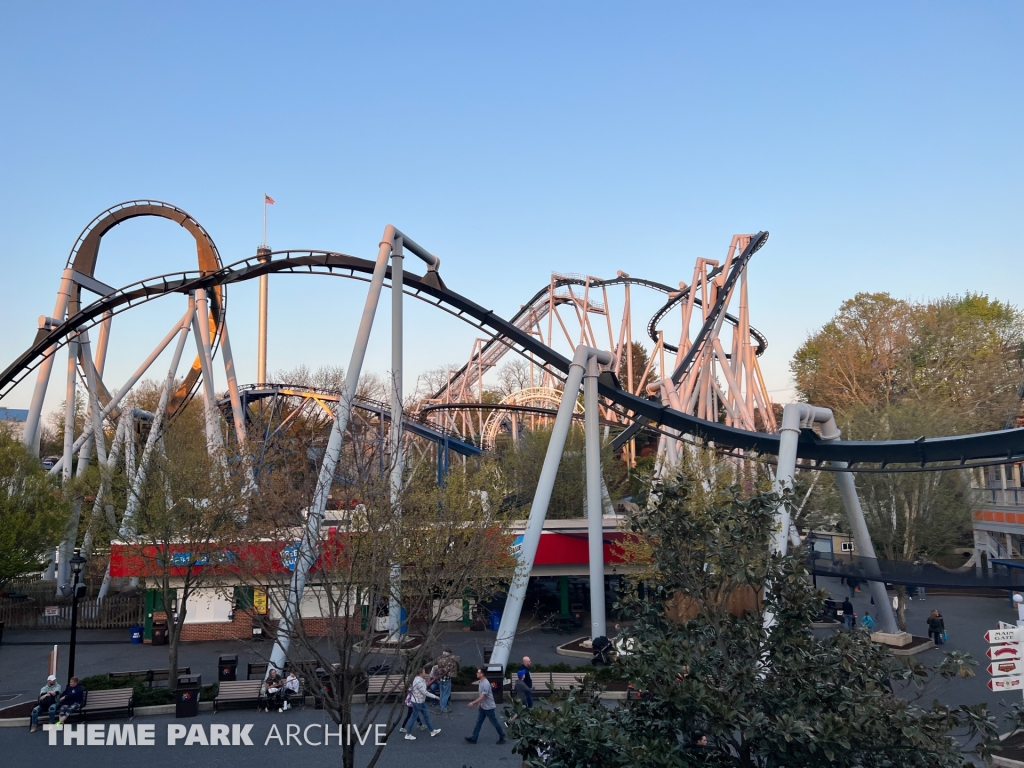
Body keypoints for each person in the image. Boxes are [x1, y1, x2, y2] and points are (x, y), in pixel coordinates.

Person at [465, 668, 506, 745]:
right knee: (479, 722)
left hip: (489, 708)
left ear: (482, 674)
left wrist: (473, 703)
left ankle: (502, 736)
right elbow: (482, 696)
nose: (477, 673)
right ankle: (474, 738)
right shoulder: (481, 682)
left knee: (494, 722)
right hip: (484, 706)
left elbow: (483, 696)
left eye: (478, 672)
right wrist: (480, 703)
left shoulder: (486, 684)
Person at [404, 667, 441, 740]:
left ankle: (432, 731)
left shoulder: (419, 680)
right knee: (414, 717)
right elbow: (424, 692)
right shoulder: (418, 681)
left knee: (426, 716)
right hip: (417, 702)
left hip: (420, 701)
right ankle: (408, 734)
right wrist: (435, 696)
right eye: (424, 672)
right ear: (421, 673)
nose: (425, 673)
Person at [435, 649, 459, 713]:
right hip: (447, 678)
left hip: (440, 678)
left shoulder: (439, 659)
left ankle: (441, 706)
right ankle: (444, 708)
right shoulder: (450, 660)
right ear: (449, 653)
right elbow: (449, 668)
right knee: (446, 694)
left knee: (442, 693)